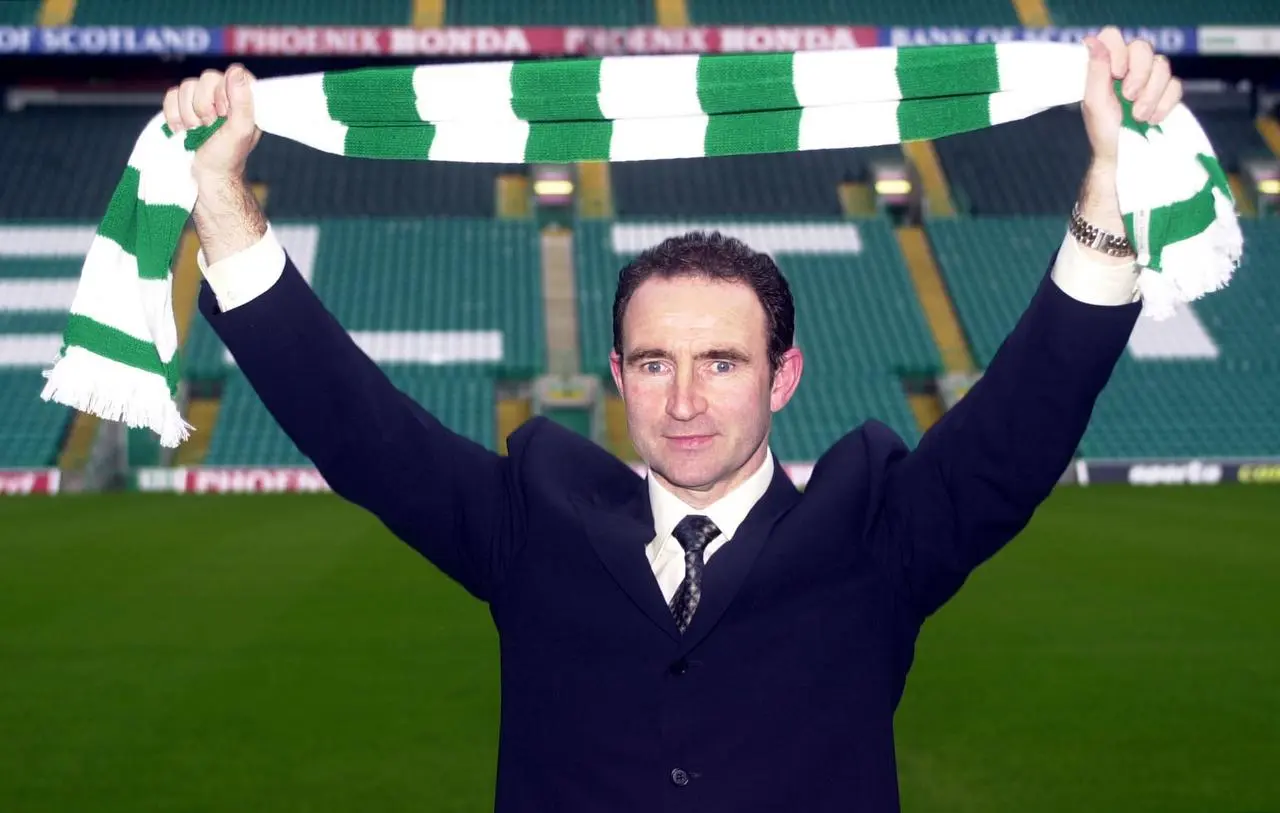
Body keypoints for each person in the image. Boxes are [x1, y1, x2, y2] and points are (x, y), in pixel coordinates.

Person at [168, 27, 1180, 813]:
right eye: (655, 363)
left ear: (783, 378)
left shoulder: (875, 533)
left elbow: (1021, 422)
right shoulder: (533, 522)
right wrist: (217, 195)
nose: (684, 400)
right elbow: (359, 430)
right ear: (617, 375)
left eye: (721, 363)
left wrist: (1109, 182)